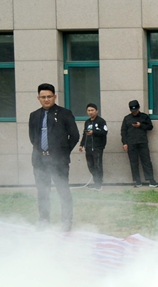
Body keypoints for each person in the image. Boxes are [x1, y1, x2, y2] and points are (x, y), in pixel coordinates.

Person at [28, 83, 80, 232]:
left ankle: (66, 222)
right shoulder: (34, 115)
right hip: (39, 161)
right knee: (42, 192)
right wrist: (42, 150)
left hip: (59, 161)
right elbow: (32, 137)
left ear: (54, 97)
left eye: (49, 96)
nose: (46, 99)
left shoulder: (65, 113)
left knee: (63, 191)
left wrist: (63, 152)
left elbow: (75, 135)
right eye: (43, 97)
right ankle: (44, 221)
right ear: (38, 98)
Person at [121, 100, 158, 188]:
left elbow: (150, 127)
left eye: (136, 110)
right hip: (131, 143)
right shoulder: (127, 118)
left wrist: (140, 125)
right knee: (134, 162)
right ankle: (137, 181)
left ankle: (151, 180)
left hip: (142, 142)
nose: (134, 112)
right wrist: (124, 143)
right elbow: (123, 131)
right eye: (132, 110)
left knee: (146, 161)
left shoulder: (144, 117)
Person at [78, 103, 108, 191]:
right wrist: (81, 144)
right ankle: (96, 182)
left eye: (92, 110)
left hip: (98, 147)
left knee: (98, 165)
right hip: (88, 147)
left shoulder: (101, 121)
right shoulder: (87, 122)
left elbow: (104, 132)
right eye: (88, 110)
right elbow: (84, 134)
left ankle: (99, 184)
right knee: (90, 165)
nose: (90, 112)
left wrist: (94, 132)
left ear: (96, 111)